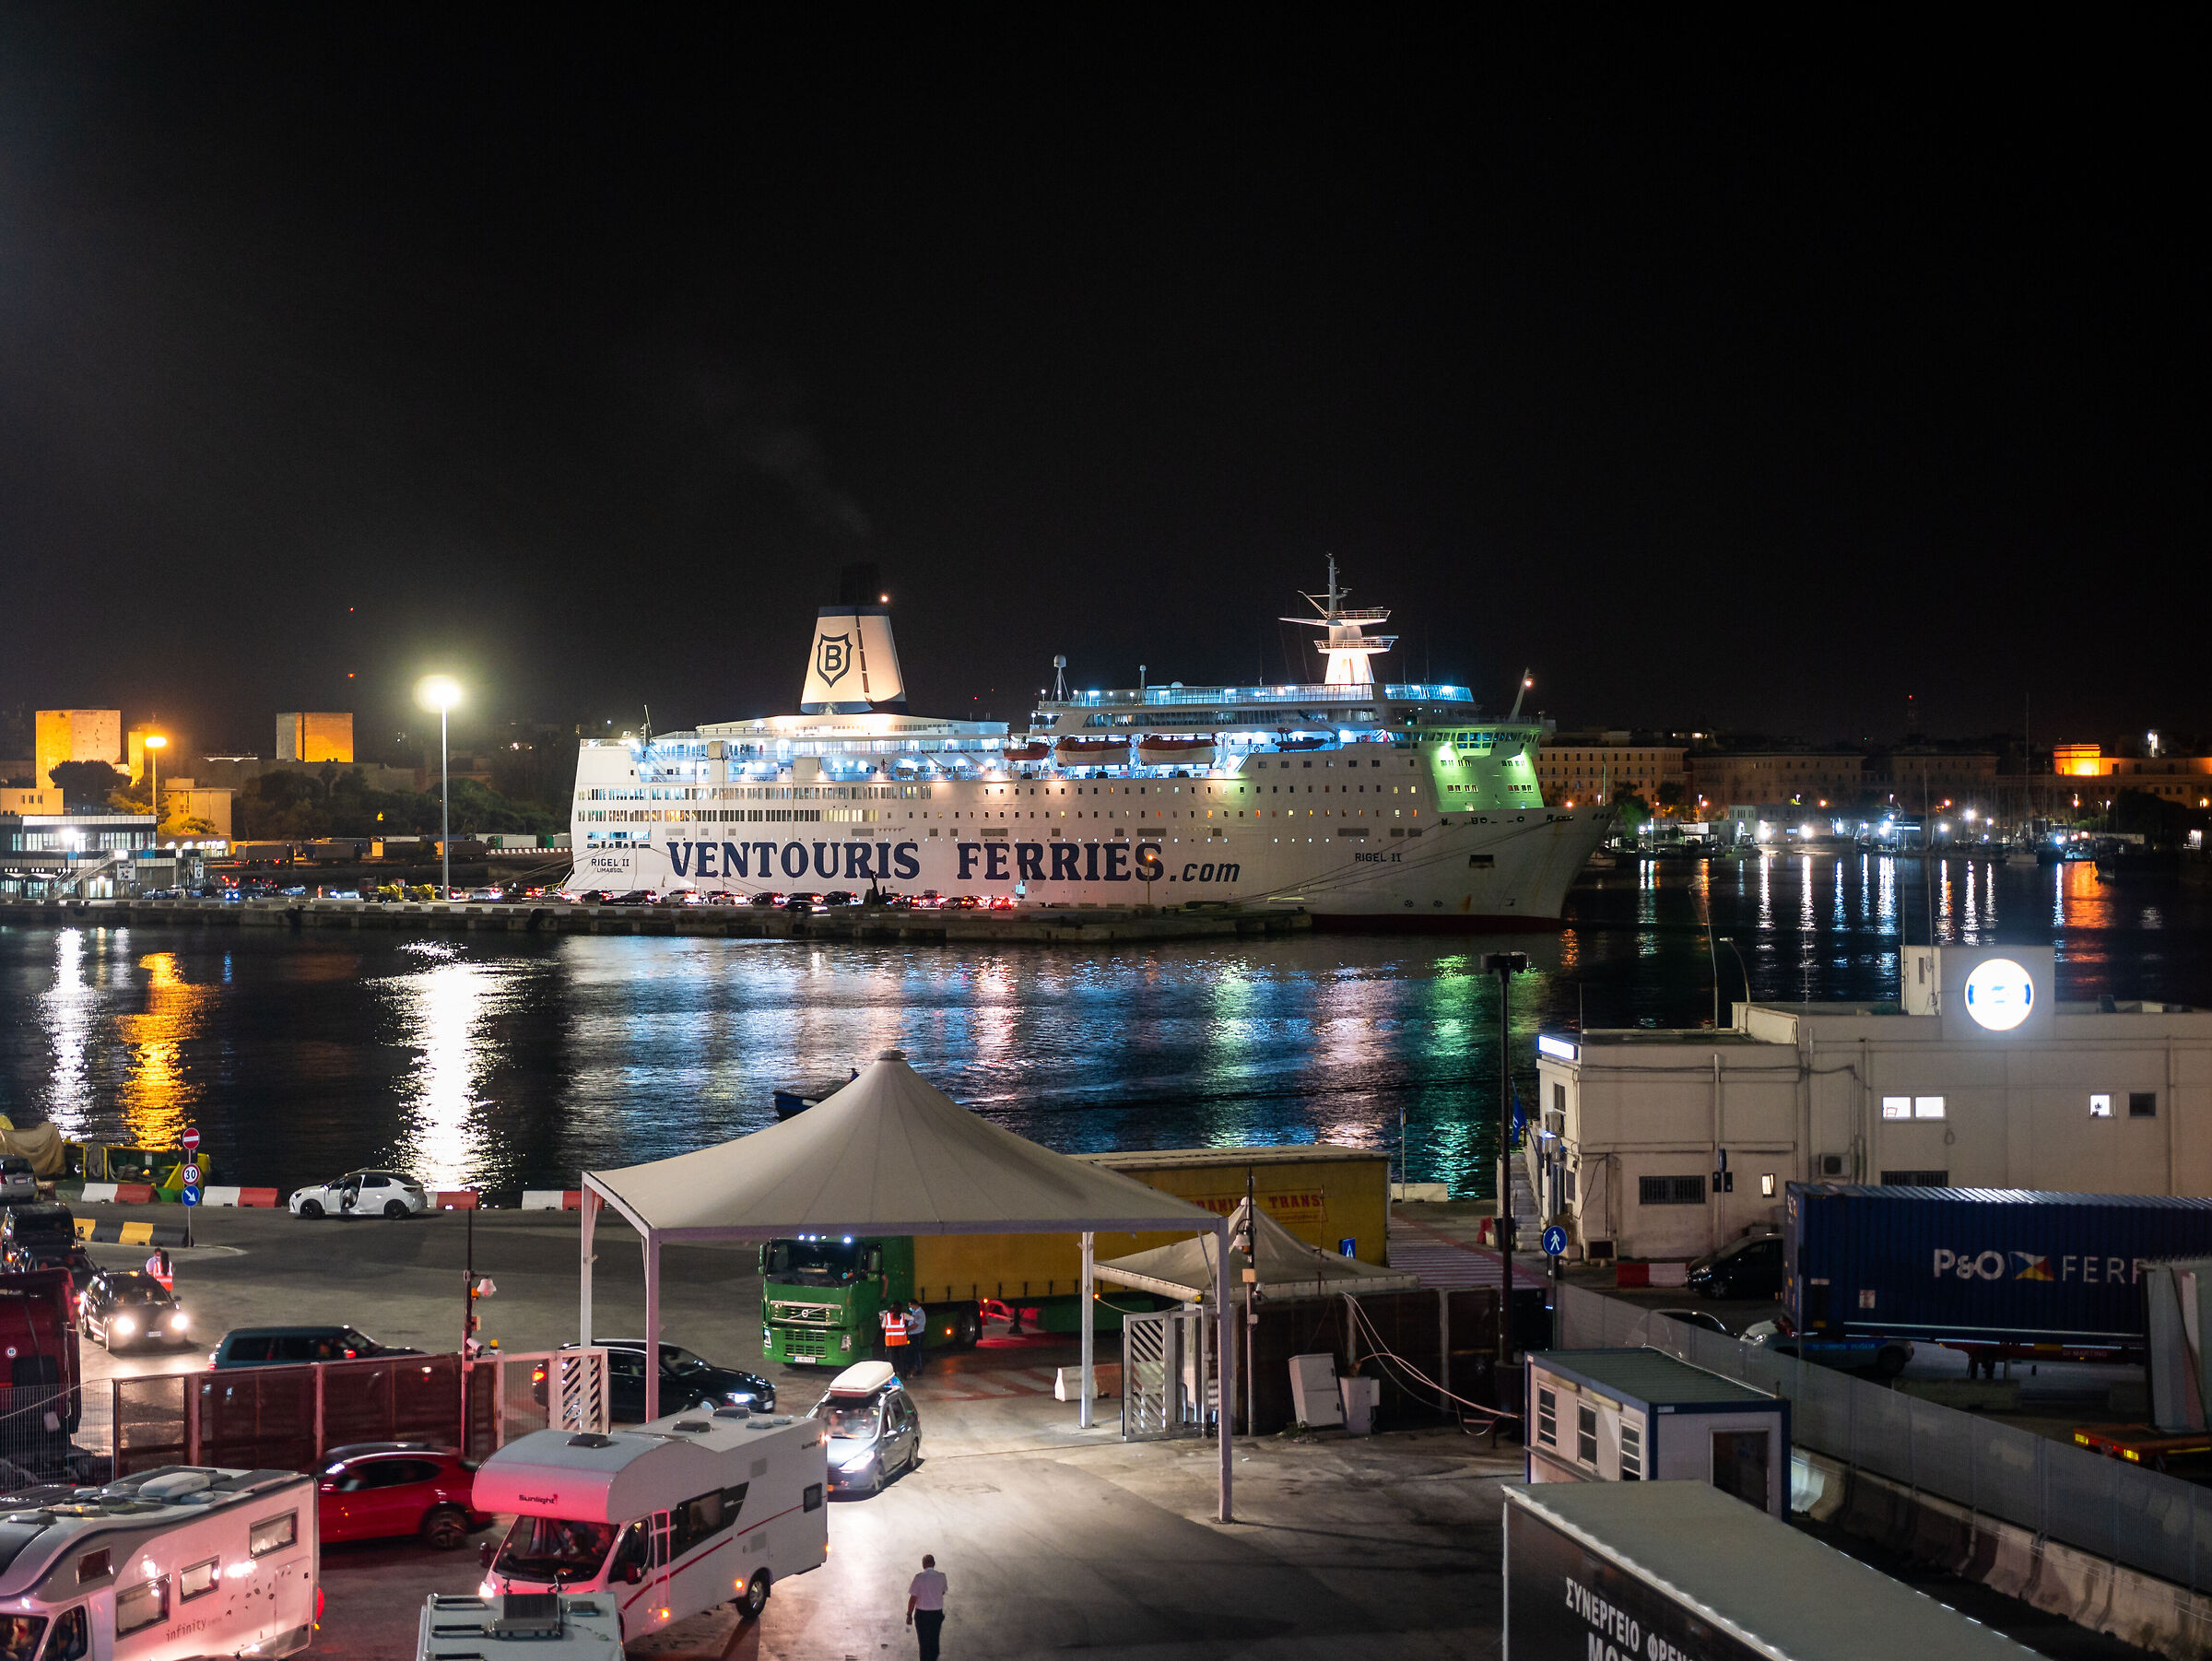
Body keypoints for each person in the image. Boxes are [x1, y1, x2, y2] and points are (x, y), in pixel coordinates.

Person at [905, 1553, 947, 1660]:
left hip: (922, 1615)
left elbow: (913, 1599)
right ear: (934, 1564)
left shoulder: (919, 1578)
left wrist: (909, 1615)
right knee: (934, 1642)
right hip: (936, 1614)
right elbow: (942, 1592)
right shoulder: (942, 1576)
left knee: (924, 1644)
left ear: (923, 1565)